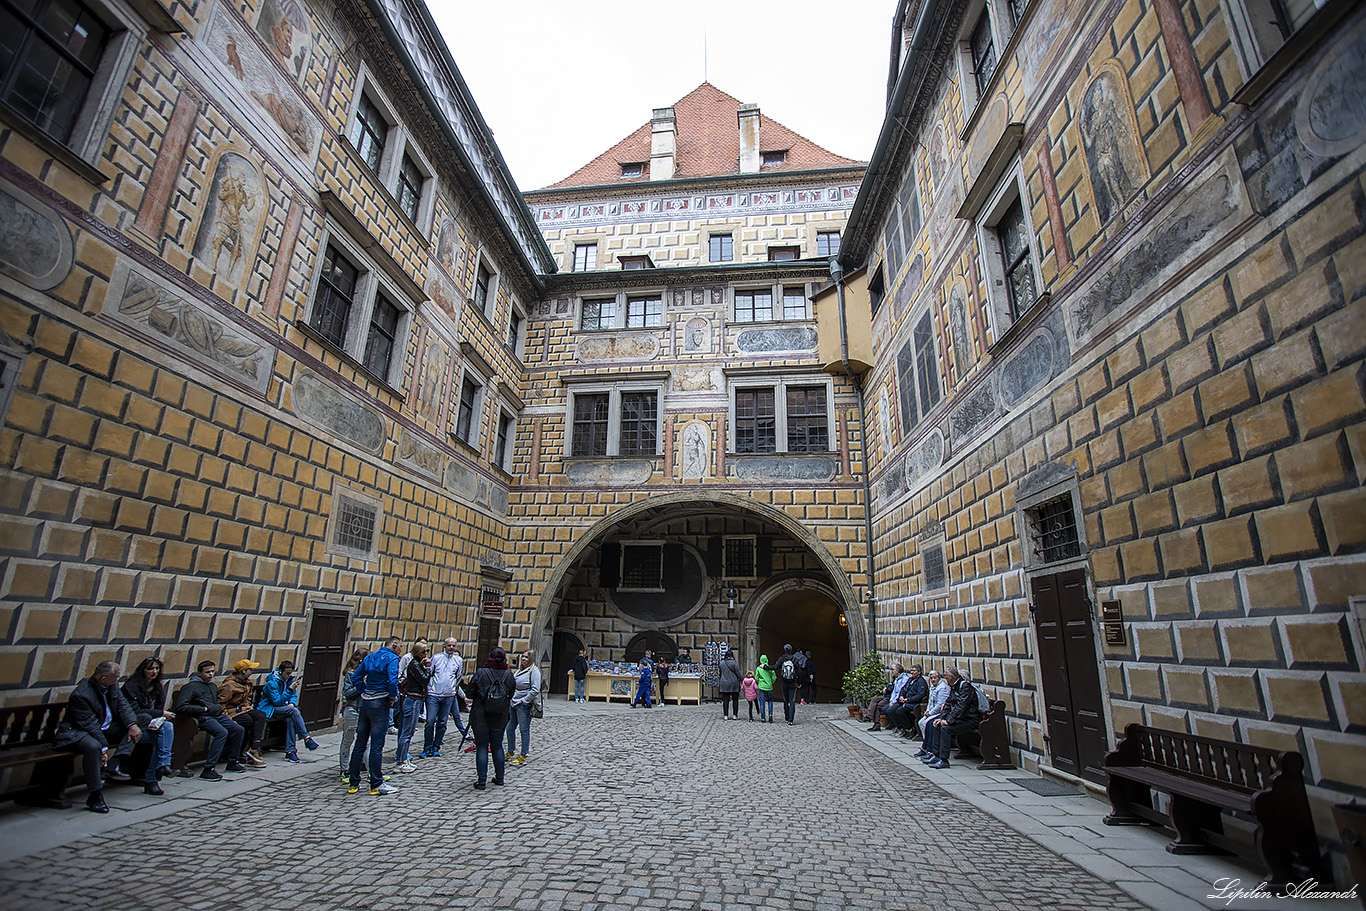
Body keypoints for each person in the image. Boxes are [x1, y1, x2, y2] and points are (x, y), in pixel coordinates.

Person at [53, 661, 142, 812]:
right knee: (93, 747)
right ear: (103, 679)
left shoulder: (111, 685)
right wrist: (104, 748)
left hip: (104, 728)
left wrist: (132, 725)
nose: (118, 679)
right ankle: (95, 794)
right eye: (116, 676)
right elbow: (89, 724)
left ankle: (115, 762)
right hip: (78, 732)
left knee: (142, 720)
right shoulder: (82, 694)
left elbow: (122, 705)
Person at [172, 660, 245, 781]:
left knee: (238, 729)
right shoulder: (191, 687)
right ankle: (209, 769)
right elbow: (181, 706)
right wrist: (202, 709)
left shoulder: (212, 686)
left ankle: (233, 762)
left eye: (212, 672)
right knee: (222, 733)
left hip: (216, 714)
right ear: (200, 673)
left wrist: (219, 711)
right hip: (202, 716)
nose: (211, 674)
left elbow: (215, 702)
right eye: (207, 672)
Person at [347, 636, 402, 795]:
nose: (400, 651)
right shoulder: (392, 658)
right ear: (394, 645)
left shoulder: (370, 657)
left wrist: (363, 690)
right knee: (377, 745)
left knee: (360, 744)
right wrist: (392, 696)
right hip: (380, 703)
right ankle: (376, 783)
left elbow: (357, 677)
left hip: (365, 703)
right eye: (400, 647)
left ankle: (353, 783)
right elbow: (393, 681)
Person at [463, 647, 515, 790]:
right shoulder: (508, 675)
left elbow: (469, 692)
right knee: (497, 746)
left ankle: (481, 781)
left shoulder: (481, 673)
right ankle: (500, 778)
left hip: (481, 714)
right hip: (500, 715)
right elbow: (511, 693)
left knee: (482, 746)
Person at [120, 657, 175, 792]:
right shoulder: (131, 686)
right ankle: (154, 777)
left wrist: (159, 715)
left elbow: (158, 709)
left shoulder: (157, 686)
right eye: (150, 669)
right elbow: (135, 711)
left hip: (150, 726)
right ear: (142, 670)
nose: (154, 672)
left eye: (156, 669)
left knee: (167, 728)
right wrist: (161, 713)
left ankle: (161, 768)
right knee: (163, 739)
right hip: (131, 728)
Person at [921, 667, 983, 769]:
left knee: (945, 729)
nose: (944, 678)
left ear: (950, 677)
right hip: (962, 718)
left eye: (945, 676)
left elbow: (961, 707)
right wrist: (941, 718)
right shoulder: (954, 686)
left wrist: (949, 721)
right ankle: (936, 755)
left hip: (970, 719)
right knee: (936, 724)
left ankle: (944, 760)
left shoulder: (964, 686)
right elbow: (948, 703)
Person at [256, 660, 317, 762]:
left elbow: (294, 695)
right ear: (280, 671)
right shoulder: (272, 683)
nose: (289, 676)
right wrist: (289, 690)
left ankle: (290, 751)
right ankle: (305, 737)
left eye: (290, 673)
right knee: (294, 712)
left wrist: (292, 703)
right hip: (269, 708)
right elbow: (277, 702)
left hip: (285, 709)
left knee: (291, 717)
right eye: (287, 673)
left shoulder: (290, 680)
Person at [217, 659, 268, 768]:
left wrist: (248, 708)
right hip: (232, 712)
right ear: (244, 671)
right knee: (249, 722)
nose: (252, 671)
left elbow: (248, 699)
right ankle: (248, 752)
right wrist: (227, 717)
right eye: (250, 669)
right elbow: (221, 704)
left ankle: (255, 747)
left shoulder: (247, 682)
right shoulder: (229, 685)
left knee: (260, 715)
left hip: (244, 710)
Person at [423, 637, 465, 757]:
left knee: (442, 722)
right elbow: (430, 673)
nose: (451, 648)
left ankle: (436, 746)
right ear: (444, 646)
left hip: (449, 694)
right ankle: (427, 746)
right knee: (430, 721)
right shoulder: (436, 658)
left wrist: (452, 688)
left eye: (453, 646)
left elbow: (458, 676)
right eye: (449, 645)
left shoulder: (458, 660)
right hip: (434, 693)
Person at [394, 641, 431, 772]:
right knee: (407, 731)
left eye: (427, 651)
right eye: (423, 652)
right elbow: (425, 680)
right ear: (417, 653)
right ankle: (401, 760)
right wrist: (427, 668)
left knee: (408, 731)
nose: (426, 654)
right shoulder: (414, 665)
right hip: (413, 699)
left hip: (415, 698)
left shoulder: (416, 664)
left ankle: (402, 758)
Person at [338, 647, 369, 778]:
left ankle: (369, 769)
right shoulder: (351, 674)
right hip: (352, 710)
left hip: (363, 711)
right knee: (348, 740)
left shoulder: (367, 674)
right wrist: (361, 685)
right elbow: (348, 694)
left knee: (366, 742)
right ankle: (344, 769)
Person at [506, 649, 541, 764]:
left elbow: (535, 689)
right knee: (510, 727)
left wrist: (525, 701)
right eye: (523, 657)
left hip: (524, 705)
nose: (524, 659)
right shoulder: (519, 671)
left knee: (524, 730)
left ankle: (523, 754)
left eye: (526, 657)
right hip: (514, 703)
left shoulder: (534, 671)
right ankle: (510, 750)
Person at [885, 664, 929, 736]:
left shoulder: (921, 682)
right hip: (906, 701)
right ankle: (900, 727)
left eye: (914, 671)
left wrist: (908, 700)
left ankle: (909, 729)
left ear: (919, 672)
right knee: (890, 710)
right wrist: (901, 696)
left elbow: (920, 695)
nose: (912, 672)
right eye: (911, 670)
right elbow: (903, 689)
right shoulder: (910, 680)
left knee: (900, 711)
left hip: (914, 703)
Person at [914, 670, 950, 748]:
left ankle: (930, 745)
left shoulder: (942, 688)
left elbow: (940, 704)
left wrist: (930, 713)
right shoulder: (933, 687)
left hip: (939, 712)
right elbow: (930, 702)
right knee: (921, 722)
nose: (933, 680)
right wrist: (927, 711)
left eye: (935, 678)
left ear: (939, 678)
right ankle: (926, 743)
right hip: (931, 711)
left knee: (927, 723)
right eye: (931, 678)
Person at [869, 662, 910, 731]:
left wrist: (893, 701)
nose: (892, 671)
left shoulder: (904, 679)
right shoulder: (896, 679)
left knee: (883, 707)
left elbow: (900, 692)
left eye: (893, 670)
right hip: (891, 698)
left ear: (897, 671)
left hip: (897, 700)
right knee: (874, 699)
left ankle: (899, 727)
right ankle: (870, 718)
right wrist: (892, 700)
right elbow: (894, 691)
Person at [776, 644, 803, 724]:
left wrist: (766, 667)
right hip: (793, 682)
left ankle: (787, 717)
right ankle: (791, 720)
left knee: (785, 700)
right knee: (792, 701)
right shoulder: (794, 659)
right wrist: (799, 682)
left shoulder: (782, 658)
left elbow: (775, 667)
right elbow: (799, 671)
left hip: (784, 682)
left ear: (784, 650)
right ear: (791, 650)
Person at [718, 648, 742, 719]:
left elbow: (720, 673)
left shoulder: (722, 663)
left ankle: (726, 715)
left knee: (725, 700)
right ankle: (735, 715)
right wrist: (743, 680)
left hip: (724, 684)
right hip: (734, 683)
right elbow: (738, 673)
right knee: (735, 700)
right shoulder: (734, 663)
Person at [754, 653, 776, 723]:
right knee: (770, 701)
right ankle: (770, 715)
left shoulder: (759, 668)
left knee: (762, 702)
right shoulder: (770, 668)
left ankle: (763, 717)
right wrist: (771, 682)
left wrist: (759, 683)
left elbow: (756, 678)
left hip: (762, 687)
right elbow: (774, 677)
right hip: (769, 687)